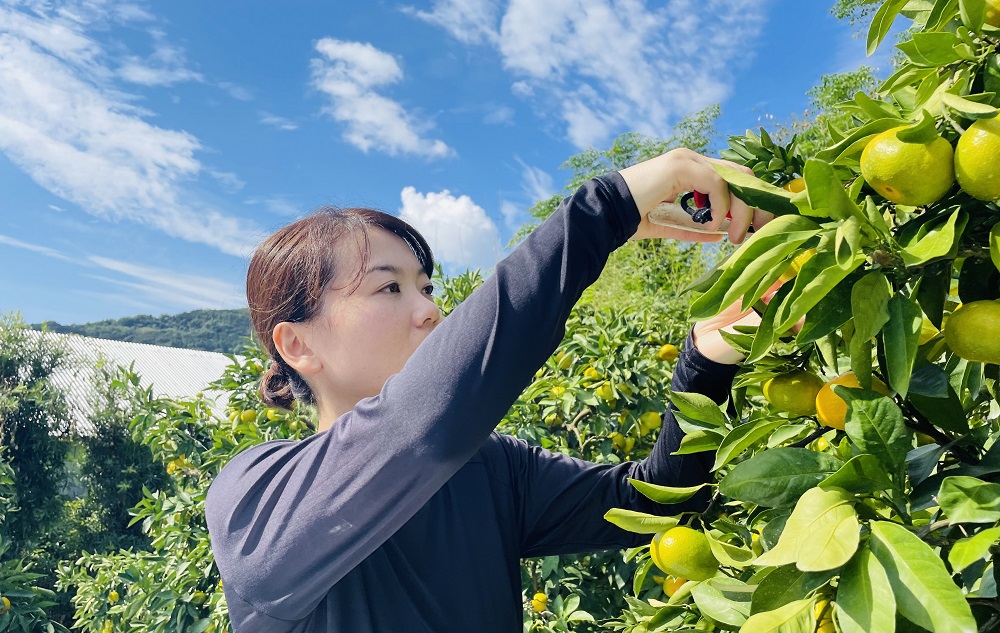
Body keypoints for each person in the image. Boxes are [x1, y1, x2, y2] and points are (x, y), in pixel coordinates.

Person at [205, 149, 772, 632]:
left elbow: (653, 503)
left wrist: (707, 359)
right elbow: (421, 424)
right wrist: (604, 210)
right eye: (388, 288)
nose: (430, 310)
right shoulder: (254, 502)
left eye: (426, 288)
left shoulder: (491, 467)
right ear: (297, 346)